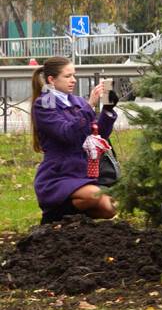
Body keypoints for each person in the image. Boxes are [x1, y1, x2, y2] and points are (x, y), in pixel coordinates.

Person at [31, 57, 118, 224]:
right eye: (68, 76)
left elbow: (98, 136)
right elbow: (66, 134)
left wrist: (107, 110)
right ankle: (51, 218)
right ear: (51, 80)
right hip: (58, 174)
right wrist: (90, 105)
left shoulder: (76, 101)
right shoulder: (45, 103)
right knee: (94, 196)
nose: (73, 80)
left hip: (81, 172)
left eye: (74, 75)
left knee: (109, 208)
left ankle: (71, 221)